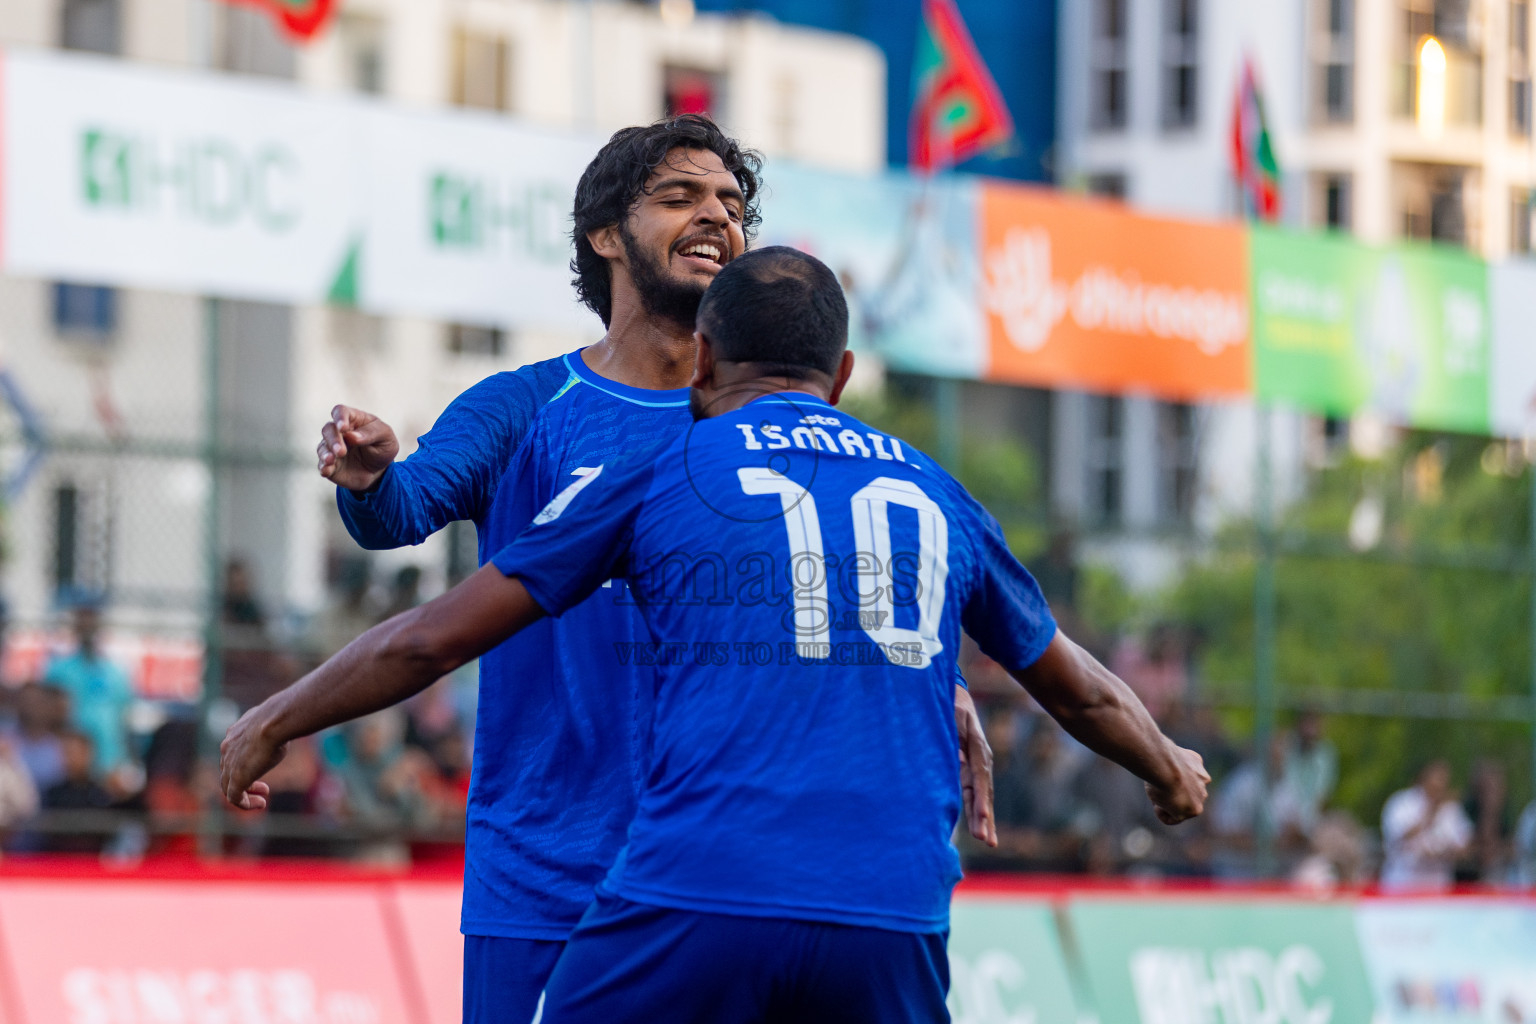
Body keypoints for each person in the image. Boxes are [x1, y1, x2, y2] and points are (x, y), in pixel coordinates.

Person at [223, 247, 1208, 1022]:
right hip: (892, 919)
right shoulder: (934, 491)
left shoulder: (665, 469)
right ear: (845, 373)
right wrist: (1168, 768)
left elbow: (431, 639)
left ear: (702, 358)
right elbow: (1076, 686)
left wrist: (274, 717)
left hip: (698, 900)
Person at [308, 116, 995, 1020]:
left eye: (732, 203)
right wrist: (368, 478)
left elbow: (831, 590)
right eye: (681, 197)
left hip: (726, 885)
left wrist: (935, 683)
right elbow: (402, 510)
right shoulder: (527, 405)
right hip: (548, 870)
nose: (717, 216)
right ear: (604, 236)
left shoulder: (778, 432)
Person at [44, 604, 134, 791]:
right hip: (69, 764)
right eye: (82, 621)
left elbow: (123, 720)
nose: (88, 627)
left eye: (92, 621)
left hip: (108, 764)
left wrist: (121, 763)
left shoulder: (116, 673)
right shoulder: (58, 669)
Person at [1380, 759, 1473, 892]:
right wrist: (1430, 813)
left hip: (1438, 887)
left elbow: (1465, 847)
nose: (1441, 783)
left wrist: (1448, 853)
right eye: (1437, 777)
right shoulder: (1401, 803)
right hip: (1402, 886)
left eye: (1444, 778)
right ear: (1423, 777)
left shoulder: (1451, 809)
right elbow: (1398, 838)